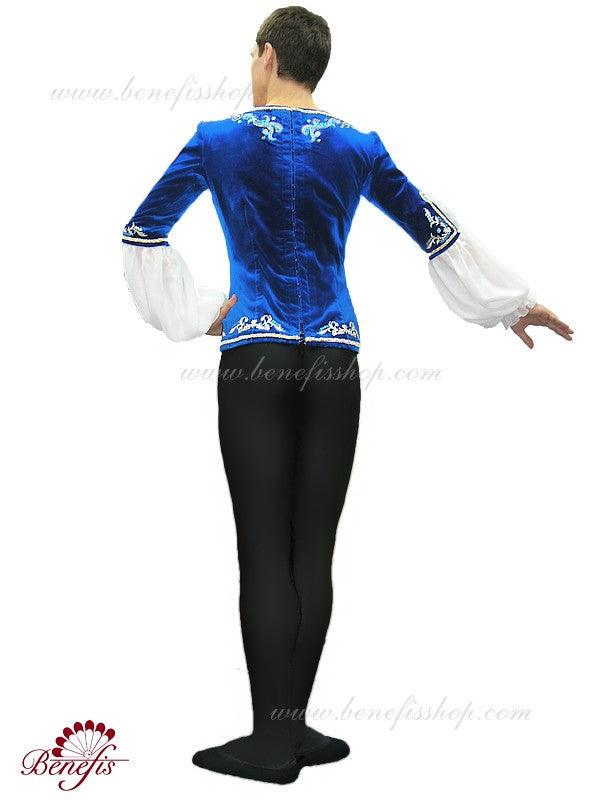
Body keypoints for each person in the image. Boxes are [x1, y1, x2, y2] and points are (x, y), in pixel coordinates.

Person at [121, 5, 574, 785]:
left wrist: (200, 312)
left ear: (268, 56)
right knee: (313, 548)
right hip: (334, 360)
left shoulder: (217, 140)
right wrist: (510, 305)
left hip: (257, 355)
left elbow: (142, 230)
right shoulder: (359, 146)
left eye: (251, 57)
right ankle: (291, 727)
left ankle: (272, 742)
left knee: (266, 548)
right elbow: (433, 228)